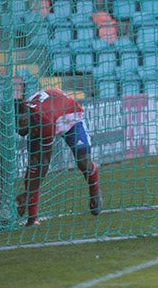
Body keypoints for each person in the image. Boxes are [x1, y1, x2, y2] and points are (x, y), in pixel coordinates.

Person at [15, 88, 103, 226]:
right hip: (49, 113)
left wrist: (27, 195)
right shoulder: (27, 114)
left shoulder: (44, 120)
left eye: (21, 124)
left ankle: (95, 190)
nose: (19, 129)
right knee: (33, 165)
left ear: (27, 116)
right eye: (17, 124)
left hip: (70, 118)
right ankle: (32, 219)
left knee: (83, 162)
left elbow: (44, 163)